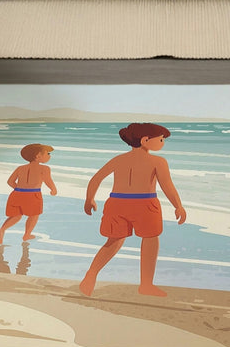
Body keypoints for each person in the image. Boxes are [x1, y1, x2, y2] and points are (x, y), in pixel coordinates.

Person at [79, 122, 186, 297]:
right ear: (145, 140)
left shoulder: (119, 159)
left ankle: (91, 274)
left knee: (113, 241)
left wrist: (89, 199)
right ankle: (146, 285)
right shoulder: (158, 161)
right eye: (160, 139)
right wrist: (178, 206)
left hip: (117, 204)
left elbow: (96, 179)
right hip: (145, 204)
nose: (163, 143)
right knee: (150, 240)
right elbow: (167, 186)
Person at [0, 143, 57, 244]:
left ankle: (1, 230)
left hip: (17, 194)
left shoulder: (20, 168)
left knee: (16, 216)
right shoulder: (44, 169)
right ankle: (27, 234)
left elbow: (10, 181)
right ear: (38, 156)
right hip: (33, 195)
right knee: (34, 215)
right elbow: (48, 180)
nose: (50, 156)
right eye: (48, 153)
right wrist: (53, 189)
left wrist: (19, 189)